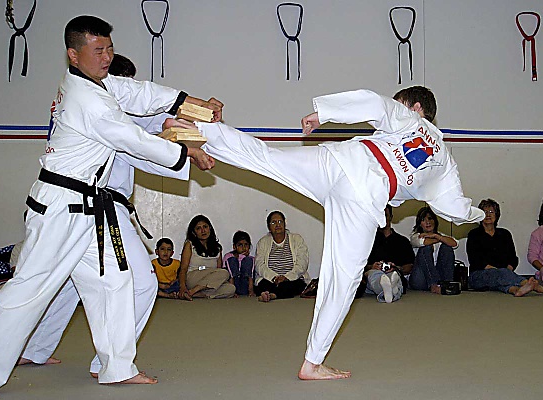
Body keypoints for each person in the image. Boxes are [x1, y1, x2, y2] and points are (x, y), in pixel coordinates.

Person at [0, 15, 219, 399]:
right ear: (73, 54)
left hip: (88, 209)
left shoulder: (101, 84)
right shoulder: (87, 99)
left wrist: (187, 101)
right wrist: (186, 152)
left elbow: (139, 92)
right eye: (98, 51)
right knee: (29, 290)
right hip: (61, 208)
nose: (107, 57)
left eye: (109, 48)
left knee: (116, 282)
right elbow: (131, 138)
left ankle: (116, 368)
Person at [193, 87, 484, 380]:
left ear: (417, 108)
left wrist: (325, 113)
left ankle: (199, 129)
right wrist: (479, 215)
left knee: (268, 158)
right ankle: (312, 363)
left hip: (339, 161)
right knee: (342, 281)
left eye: (401, 104)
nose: (397, 106)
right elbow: (456, 208)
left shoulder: (411, 119)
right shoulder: (445, 163)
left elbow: (375, 103)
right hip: (362, 196)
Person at [467, 199, 543, 296]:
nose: (488, 215)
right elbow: (475, 259)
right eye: (485, 212)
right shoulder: (474, 234)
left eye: (491, 212)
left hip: (504, 274)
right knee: (499, 274)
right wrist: (500, 271)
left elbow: (513, 258)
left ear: (497, 215)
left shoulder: (505, 234)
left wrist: (508, 269)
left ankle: (515, 290)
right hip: (479, 275)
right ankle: (527, 283)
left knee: (500, 279)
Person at [254, 211, 310, 302]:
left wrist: (287, 277)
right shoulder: (262, 242)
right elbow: (259, 264)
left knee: (292, 285)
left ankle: (272, 295)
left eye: (280, 221)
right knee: (263, 284)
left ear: (285, 223)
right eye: (273, 222)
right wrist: (274, 277)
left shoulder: (297, 239)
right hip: (270, 280)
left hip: (292, 279)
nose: (277, 225)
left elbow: (302, 263)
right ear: (269, 226)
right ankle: (274, 293)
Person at [364, 205, 414, 303]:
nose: (382, 219)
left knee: (395, 276)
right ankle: (391, 289)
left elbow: (410, 266)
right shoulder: (369, 241)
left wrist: (397, 268)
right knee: (375, 276)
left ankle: (388, 289)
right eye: (380, 215)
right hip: (374, 274)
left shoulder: (402, 241)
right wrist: (372, 266)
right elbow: (360, 266)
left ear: (391, 217)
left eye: (385, 215)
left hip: (395, 273)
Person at [178, 215, 235, 300]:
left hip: (209, 282)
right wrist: (182, 287)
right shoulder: (189, 244)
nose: (203, 231)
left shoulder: (217, 248)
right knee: (225, 272)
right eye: (198, 228)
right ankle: (193, 291)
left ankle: (195, 294)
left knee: (231, 288)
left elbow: (218, 271)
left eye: (205, 227)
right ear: (193, 232)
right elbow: (183, 269)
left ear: (210, 228)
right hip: (192, 278)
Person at [409, 206, 458, 293]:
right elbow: (424, 242)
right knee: (426, 248)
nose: (427, 222)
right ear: (420, 224)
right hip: (421, 278)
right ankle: (433, 284)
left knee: (446, 247)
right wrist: (438, 239)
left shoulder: (440, 236)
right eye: (423, 220)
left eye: (430, 218)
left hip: (439, 274)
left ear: (435, 221)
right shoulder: (416, 236)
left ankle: (447, 284)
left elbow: (454, 243)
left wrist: (436, 236)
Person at [222, 231, 255, 297]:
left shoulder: (250, 259)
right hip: (232, 284)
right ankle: (232, 291)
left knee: (248, 260)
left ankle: (250, 290)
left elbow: (251, 275)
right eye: (240, 245)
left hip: (245, 285)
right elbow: (226, 271)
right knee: (232, 260)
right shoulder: (228, 256)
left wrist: (243, 257)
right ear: (234, 246)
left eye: (246, 244)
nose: (243, 248)